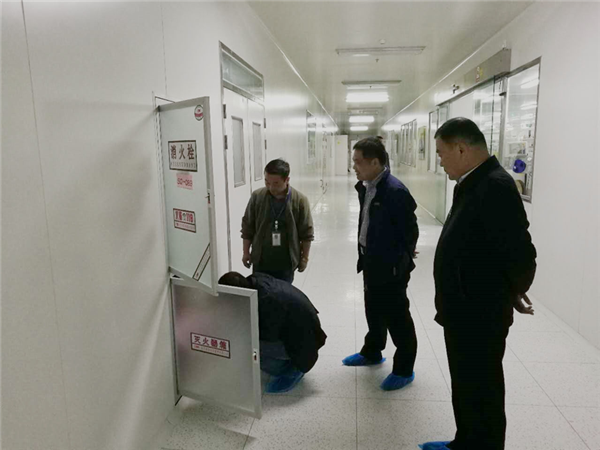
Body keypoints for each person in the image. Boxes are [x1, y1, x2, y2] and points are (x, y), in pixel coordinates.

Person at [420, 118, 537, 450]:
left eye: (441, 153)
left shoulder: (494, 186)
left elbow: (519, 252)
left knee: (482, 387)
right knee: (466, 383)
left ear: (461, 148)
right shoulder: (472, 182)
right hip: (464, 307)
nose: (440, 160)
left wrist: (513, 290)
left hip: (479, 312)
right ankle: (466, 441)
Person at [342, 137, 419, 391]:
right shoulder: (367, 186)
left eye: (358, 162)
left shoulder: (395, 191)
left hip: (391, 267)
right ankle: (372, 351)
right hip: (371, 260)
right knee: (373, 309)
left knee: (397, 317)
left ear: (375, 162)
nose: (354, 166)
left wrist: (401, 260)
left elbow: (410, 231)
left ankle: (404, 369)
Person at [218, 271, 327, 393]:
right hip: (304, 329)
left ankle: (291, 370)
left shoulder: (267, 302)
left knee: (248, 346)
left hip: (303, 344)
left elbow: (268, 335)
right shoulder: (255, 282)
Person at [241, 159, 314, 283]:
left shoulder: (300, 200)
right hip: (261, 260)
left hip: (286, 261)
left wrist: (304, 258)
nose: (271, 187)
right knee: (261, 291)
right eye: (267, 182)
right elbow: (247, 227)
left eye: (276, 183)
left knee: (283, 293)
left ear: (287, 180)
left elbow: (307, 233)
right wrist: (246, 252)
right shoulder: (257, 197)